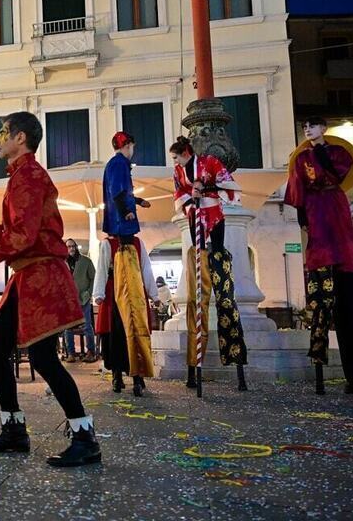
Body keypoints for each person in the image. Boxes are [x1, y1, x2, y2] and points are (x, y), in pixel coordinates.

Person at [0, 112, 100, 467]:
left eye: (3, 132)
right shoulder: (21, 177)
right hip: (27, 276)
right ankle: (14, 431)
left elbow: (23, 237)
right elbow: (13, 232)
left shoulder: (29, 176)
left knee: (43, 358)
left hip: (42, 277)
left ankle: (85, 437)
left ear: (20, 138)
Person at [285, 116, 353, 395]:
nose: (308, 129)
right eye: (305, 127)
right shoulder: (300, 159)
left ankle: (351, 373)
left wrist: (321, 155)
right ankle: (319, 371)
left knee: (346, 312)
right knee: (320, 310)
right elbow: (297, 188)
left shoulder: (338, 153)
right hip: (316, 215)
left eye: (312, 125)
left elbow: (337, 174)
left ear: (324, 129)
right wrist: (302, 217)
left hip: (336, 213)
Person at [170, 136, 248, 392]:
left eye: (176, 156)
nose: (175, 161)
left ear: (186, 152)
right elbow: (179, 194)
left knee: (225, 299)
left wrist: (205, 187)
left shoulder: (210, 162)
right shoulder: (179, 171)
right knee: (196, 302)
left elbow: (227, 183)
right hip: (195, 219)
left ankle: (236, 358)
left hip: (214, 216)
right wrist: (190, 197)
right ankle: (194, 367)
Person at [97, 132, 157, 397]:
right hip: (119, 296)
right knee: (120, 335)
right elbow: (118, 191)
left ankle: (134, 377)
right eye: (132, 146)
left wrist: (139, 202)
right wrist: (127, 210)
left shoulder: (136, 245)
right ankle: (121, 376)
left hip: (128, 295)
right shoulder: (119, 164)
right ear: (127, 146)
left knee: (128, 333)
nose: (133, 150)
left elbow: (122, 192)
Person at [64, 239, 97, 362]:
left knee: (87, 326)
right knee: (68, 328)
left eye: (73, 246)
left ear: (76, 247)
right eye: (69, 246)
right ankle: (71, 353)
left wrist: (88, 293)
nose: (71, 248)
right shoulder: (63, 263)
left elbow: (93, 278)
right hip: (69, 301)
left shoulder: (86, 261)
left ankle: (91, 352)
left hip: (83, 299)